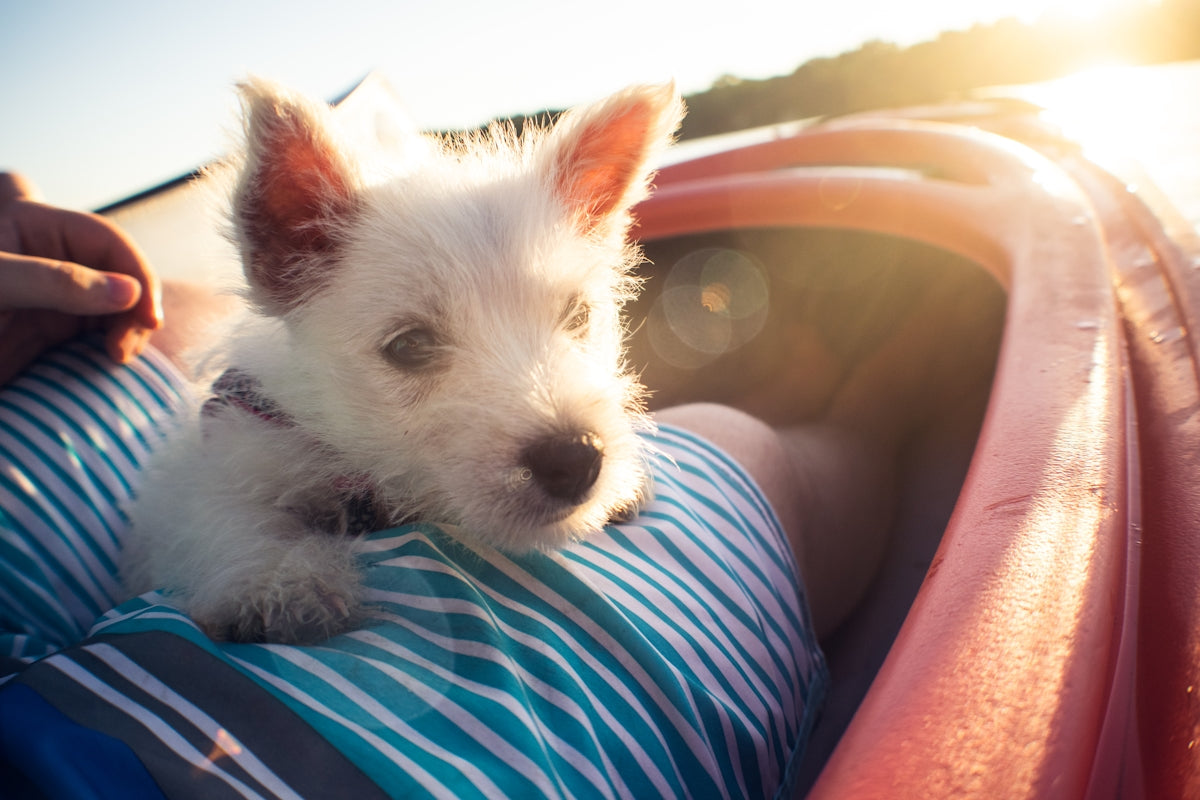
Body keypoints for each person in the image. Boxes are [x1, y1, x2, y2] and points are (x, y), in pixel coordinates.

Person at [0, 172, 897, 799]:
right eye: (415, 347)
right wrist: (253, 557)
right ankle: (882, 400)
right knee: (740, 445)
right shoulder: (264, 414)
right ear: (286, 260)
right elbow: (206, 505)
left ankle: (812, 400)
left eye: (575, 315)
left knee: (706, 429)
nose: (545, 404)